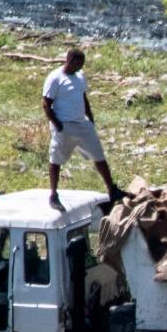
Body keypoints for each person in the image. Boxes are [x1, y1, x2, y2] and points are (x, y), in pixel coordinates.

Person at [43, 48, 123, 211]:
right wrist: (58, 125)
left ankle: (112, 189)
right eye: (79, 64)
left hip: (82, 124)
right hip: (65, 125)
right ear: (70, 60)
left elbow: (83, 97)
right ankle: (53, 194)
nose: (81, 67)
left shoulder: (80, 76)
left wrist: (90, 116)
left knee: (98, 154)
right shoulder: (55, 78)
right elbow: (46, 104)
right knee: (56, 158)